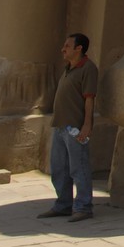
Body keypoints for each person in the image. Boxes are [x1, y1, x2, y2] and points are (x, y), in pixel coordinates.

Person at [39, 33, 98, 221]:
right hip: (60, 126)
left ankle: (83, 207)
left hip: (75, 127)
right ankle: (63, 204)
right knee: (59, 168)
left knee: (78, 168)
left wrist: (87, 125)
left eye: (67, 46)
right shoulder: (68, 68)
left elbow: (89, 99)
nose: (63, 49)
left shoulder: (88, 68)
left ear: (79, 48)